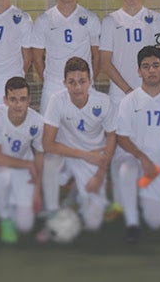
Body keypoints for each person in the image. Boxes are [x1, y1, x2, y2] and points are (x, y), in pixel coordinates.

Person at [100, 0, 160, 221]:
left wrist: (145, 90)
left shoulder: (157, 19)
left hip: (150, 95)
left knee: (148, 146)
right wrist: (129, 91)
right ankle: (120, 204)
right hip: (120, 96)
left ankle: (146, 197)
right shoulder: (110, 21)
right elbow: (104, 62)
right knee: (121, 151)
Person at [40, 57, 116, 235]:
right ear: (64, 83)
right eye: (72, 82)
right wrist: (83, 154)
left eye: (82, 82)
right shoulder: (57, 100)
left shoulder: (104, 102)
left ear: (90, 81)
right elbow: (47, 144)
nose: (77, 88)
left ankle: (76, 193)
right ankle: (52, 211)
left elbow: (112, 137)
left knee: (93, 223)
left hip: (94, 159)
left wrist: (100, 174)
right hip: (69, 155)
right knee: (49, 163)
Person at [115, 46, 160, 243]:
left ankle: (141, 194)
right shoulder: (129, 101)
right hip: (134, 158)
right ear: (139, 71)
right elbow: (122, 138)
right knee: (127, 169)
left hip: (158, 167)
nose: (151, 70)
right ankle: (132, 223)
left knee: (155, 221)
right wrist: (143, 158)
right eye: (146, 66)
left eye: (155, 65)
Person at [30, 0, 101, 113]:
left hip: (83, 85)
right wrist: (49, 80)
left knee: (85, 132)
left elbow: (97, 55)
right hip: (53, 85)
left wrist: (88, 79)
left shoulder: (91, 19)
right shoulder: (44, 20)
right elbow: (36, 57)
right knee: (50, 133)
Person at [0, 77, 44, 244]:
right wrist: (28, 164)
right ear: (5, 100)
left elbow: (40, 154)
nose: (18, 104)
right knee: (2, 178)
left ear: (29, 100)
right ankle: (4, 216)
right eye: (13, 99)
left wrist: (37, 191)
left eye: (23, 99)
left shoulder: (38, 122)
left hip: (23, 167)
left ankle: (2, 200)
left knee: (25, 225)